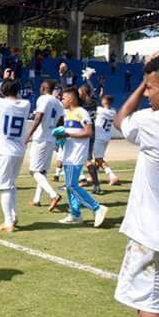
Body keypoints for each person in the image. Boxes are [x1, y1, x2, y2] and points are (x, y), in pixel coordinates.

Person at [112, 56, 159, 317]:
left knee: (150, 309)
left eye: (151, 89)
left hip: (151, 235)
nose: (147, 94)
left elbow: (120, 119)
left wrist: (143, 80)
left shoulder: (149, 122)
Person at [54, 87, 108, 226]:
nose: (62, 100)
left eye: (64, 98)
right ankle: (75, 214)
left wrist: (68, 134)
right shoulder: (67, 113)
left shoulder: (81, 112)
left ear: (71, 99)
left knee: (72, 185)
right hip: (68, 153)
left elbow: (88, 132)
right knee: (70, 185)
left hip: (76, 154)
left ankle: (97, 208)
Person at [0, 69, 30, 233]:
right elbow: (11, 94)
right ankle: (13, 215)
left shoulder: (0, 103)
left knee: (4, 187)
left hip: (3, 151)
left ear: (4, 91)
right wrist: (9, 82)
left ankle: (8, 221)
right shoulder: (25, 104)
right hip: (18, 151)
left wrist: (3, 80)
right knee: (11, 185)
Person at [24, 80, 63, 210]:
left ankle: (53, 194)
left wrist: (29, 134)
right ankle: (37, 199)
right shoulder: (58, 102)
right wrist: (57, 138)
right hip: (51, 138)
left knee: (33, 170)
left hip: (40, 138)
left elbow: (38, 117)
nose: (40, 88)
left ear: (44, 87)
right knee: (43, 171)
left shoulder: (43, 99)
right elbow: (61, 121)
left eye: (41, 86)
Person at [79, 84, 102, 195]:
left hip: (84, 133)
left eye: (80, 91)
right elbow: (93, 93)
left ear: (83, 92)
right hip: (92, 132)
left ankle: (95, 184)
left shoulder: (82, 104)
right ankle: (94, 184)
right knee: (86, 159)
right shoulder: (94, 102)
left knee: (86, 160)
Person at [93, 94, 120, 186]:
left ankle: (112, 175)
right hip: (106, 136)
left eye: (103, 99)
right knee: (98, 157)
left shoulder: (100, 110)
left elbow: (94, 106)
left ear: (105, 101)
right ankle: (94, 176)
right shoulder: (113, 111)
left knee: (98, 158)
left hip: (99, 136)